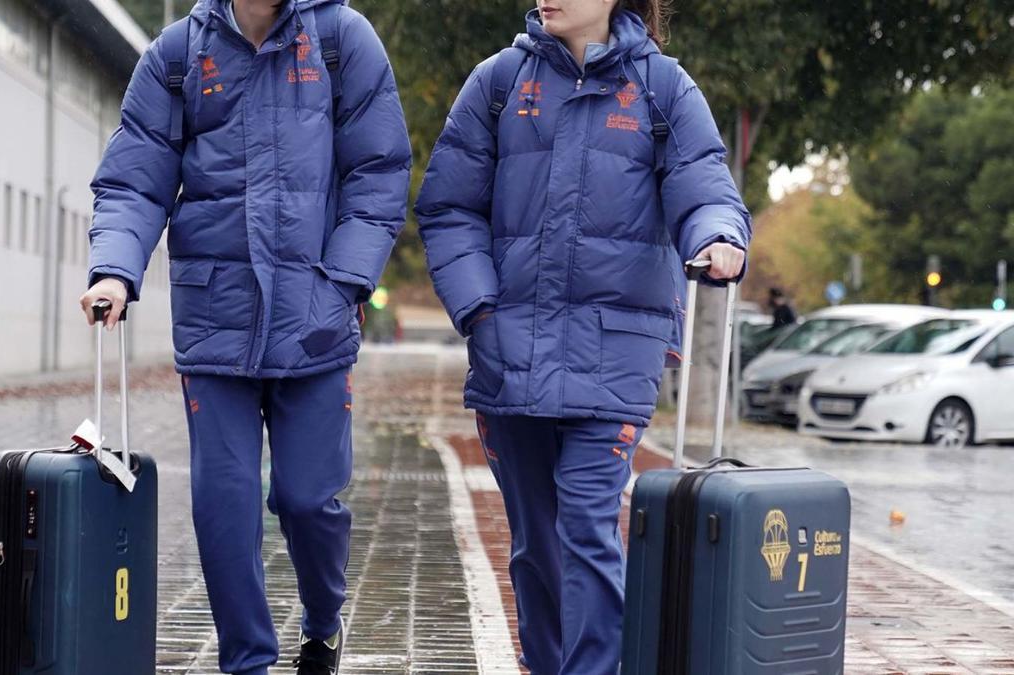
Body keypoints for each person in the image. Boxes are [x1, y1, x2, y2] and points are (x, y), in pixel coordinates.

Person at [415, 0, 749, 672]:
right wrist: (480, 309)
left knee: (588, 530)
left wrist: (718, 236)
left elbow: (704, 182)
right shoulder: (499, 82)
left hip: (616, 355)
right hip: (509, 354)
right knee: (537, 544)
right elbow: (448, 206)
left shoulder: (663, 88)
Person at [80, 0, 412, 672]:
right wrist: (115, 269)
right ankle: (248, 661)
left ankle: (322, 621)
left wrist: (343, 283)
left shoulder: (342, 42)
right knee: (223, 506)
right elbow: (136, 181)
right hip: (215, 325)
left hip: (313, 322)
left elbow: (378, 171)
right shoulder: (177, 57)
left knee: (307, 497)